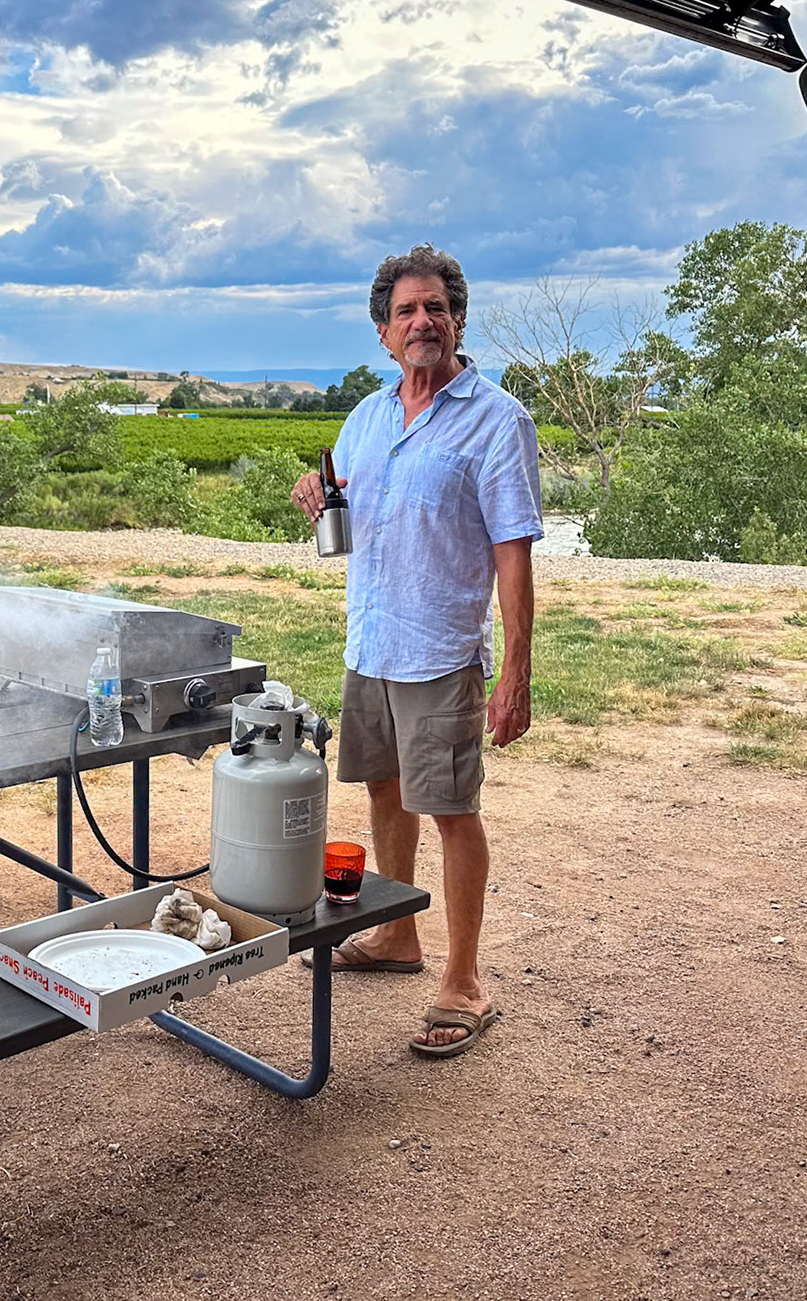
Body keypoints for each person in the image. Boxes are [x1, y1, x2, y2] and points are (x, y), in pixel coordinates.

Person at [291, 244, 541, 1059]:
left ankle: (465, 980)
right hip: (372, 640)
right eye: (407, 311)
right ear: (382, 331)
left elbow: (512, 552)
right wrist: (316, 496)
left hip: (440, 651)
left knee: (452, 808)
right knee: (385, 793)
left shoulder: (497, 420)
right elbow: (351, 514)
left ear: (459, 320)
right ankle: (398, 936)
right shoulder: (366, 417)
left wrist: (515, 669)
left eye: (436, 307)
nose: (422, 322)